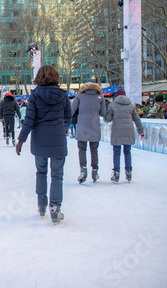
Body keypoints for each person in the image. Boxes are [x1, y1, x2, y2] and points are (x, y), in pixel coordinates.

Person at [15, 66, 71, 225]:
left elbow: (29, 121)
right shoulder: (63, 95)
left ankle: (41, 205)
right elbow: (68, 115)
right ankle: (55, 207)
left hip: (40, 139)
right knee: (57, 175)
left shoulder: (35, 96)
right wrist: (64, 127)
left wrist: (21, 140)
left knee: (41, 172)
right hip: (58, 140)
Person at [104, 88, 144, 183]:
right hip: (128, 131)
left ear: (116, 96)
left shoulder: (112, 105)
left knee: (116, 152)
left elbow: (107, 120)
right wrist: (140, 131)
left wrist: (105, 112)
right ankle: (129, 172)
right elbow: (137, 119)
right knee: (127, 151)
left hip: (117, 131)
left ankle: (116, 174)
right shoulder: (130, 106)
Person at [71, 79, 106, 183]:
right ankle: (95, 171)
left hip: (82, 126)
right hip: (95, 127)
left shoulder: (79, 96)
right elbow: (103, 113)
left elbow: (71, 111)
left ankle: (83, 169)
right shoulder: (100, 97)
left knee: (82, 149)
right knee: (94, 150)